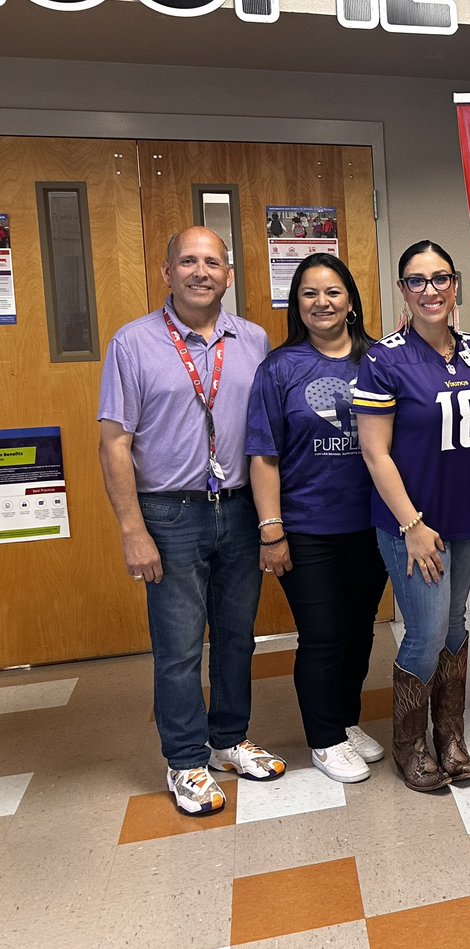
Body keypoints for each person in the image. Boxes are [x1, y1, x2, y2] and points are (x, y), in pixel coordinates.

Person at [98, 226, 286, 816]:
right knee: (178, 647)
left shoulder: (253, 339)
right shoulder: (133, 343)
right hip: (169, 513)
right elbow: (114, 444)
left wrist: (269, 520)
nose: (200, 272)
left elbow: (268, 436)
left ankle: (228, 739)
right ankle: (185, 761)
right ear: (167, 272)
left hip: (238, 506)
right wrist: (132, 528)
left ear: (229, 275)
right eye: (188, 261)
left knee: (237, 636)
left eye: (212, 262)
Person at [353, 240, 470, 792]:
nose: (430, 290)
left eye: (441, 278)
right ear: (402, 290)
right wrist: (413, 526)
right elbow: (374, 452)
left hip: (468, 519)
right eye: (417, 280)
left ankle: (450, 734)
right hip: (412, 525)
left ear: (456, 283)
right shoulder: (384, 359)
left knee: (456, 624)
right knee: (427, 630)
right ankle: (409, 743)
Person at [246, 253, 389, 784]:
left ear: (350, 300)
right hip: (306, 529)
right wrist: (271, 530)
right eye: (309, 293)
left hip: (373, 525)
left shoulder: (378, 361)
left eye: (332, 292)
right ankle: (324, 739)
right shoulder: (280, 369)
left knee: (358, 632)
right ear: (296, 304)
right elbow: (263, 455)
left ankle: (345, 722)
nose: (321, 302)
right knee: (323, 635)